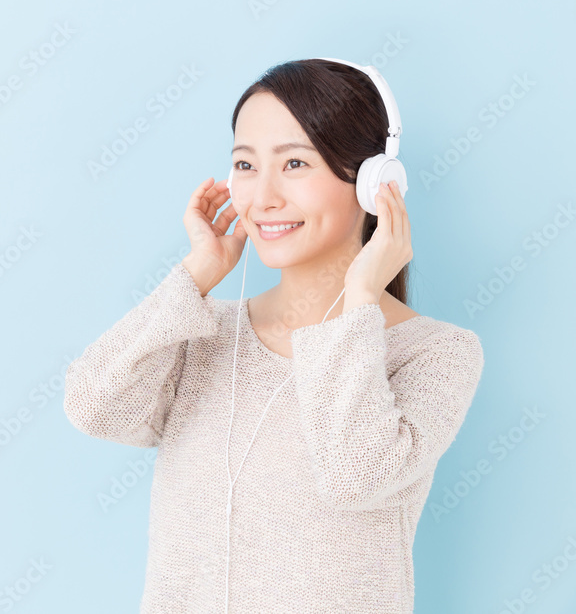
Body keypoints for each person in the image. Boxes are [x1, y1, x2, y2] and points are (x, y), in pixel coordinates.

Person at [63, 59, 485, 613]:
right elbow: (94, 406)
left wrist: (359, 300)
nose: (262, 197)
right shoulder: (203, 330)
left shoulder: (436, 354)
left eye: (294, 163)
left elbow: (355, 476)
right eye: (244, 164)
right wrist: (194, 277)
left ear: (371, 184)